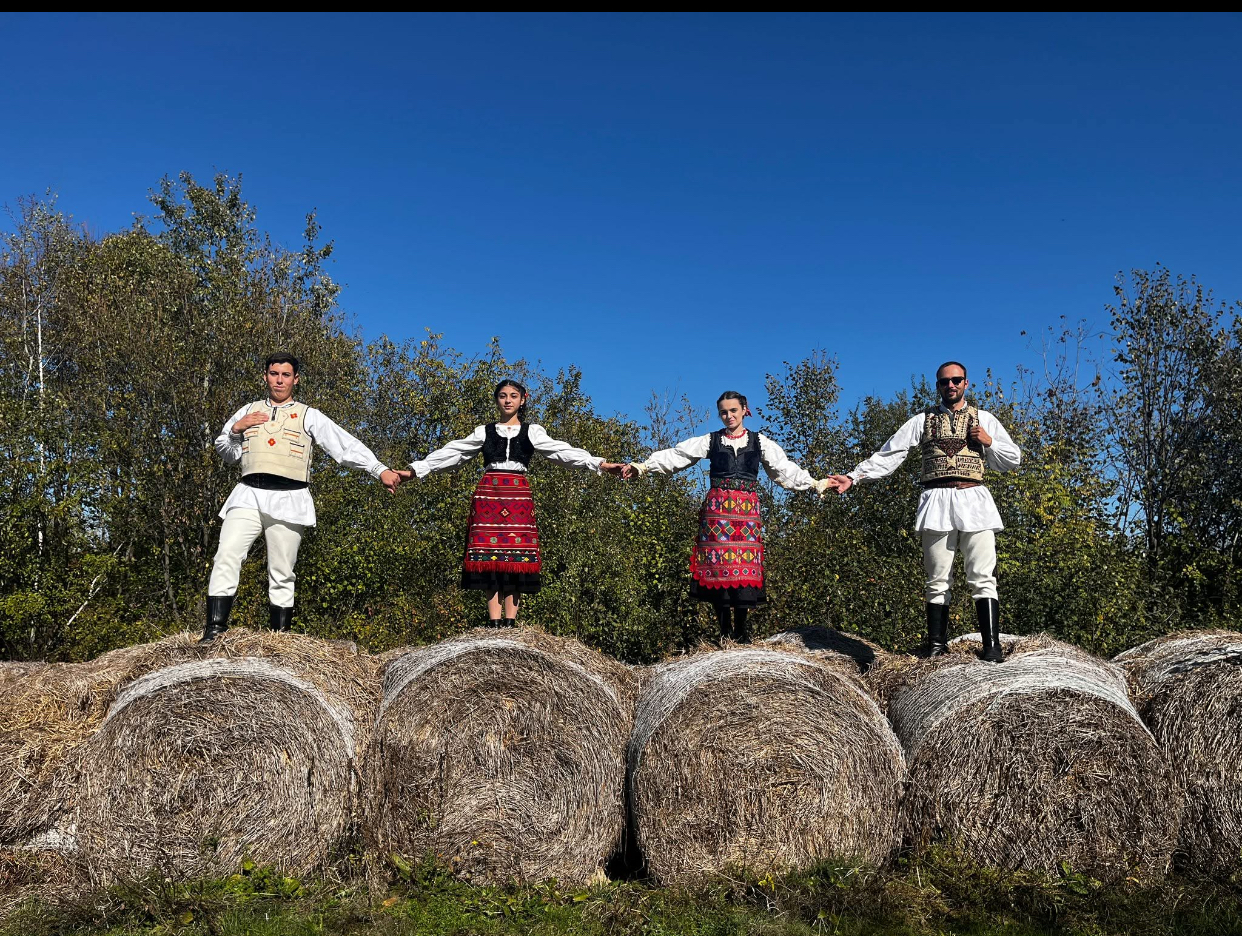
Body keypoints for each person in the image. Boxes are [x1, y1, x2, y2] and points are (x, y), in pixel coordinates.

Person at [201, 352, 400, 642]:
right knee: (226, 555)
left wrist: (378, 469)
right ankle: (214, 630)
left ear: (295, 379)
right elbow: (228, 453)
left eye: (285, 375)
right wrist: (235, 429)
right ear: (265, 376)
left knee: (281, 570)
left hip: (289, 498)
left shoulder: (309, 415)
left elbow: (343, 445)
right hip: (247, 494)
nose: (278, 380)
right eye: (273, 374)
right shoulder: (248, 410)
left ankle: (279, 639)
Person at [829, 361, 1021, 662]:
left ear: (966, 383)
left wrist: (989, 441)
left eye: (956, 380)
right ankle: (936, 645)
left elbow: (1013, 459)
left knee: (983, 576)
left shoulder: (984, 419)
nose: (951, 386)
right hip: (936, 500)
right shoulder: (922, 420)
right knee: (937, 578)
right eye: (945, 382)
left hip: (974, 499)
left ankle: (992, 646)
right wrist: (855, 477)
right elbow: (890, 453)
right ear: (938, 386)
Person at [396, 380, 624, 626]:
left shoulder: (532, 431)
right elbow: (453, 453)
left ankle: (510, 624)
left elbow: (562, 452)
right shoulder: (483, 431)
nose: (507, 400)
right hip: (489, 496)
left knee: (517, 559)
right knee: (490, 559)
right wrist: (415, 471)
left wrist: (600, 464)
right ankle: (494, 623)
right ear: (496, 400)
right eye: (503, 396)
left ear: (522, 399)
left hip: (518, 497)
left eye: (513, 396)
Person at [623, 391, 834, 643]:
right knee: (717, 569)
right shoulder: (711, 441)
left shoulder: (760, 442)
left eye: (733, 410)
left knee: (743, 572)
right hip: (717, 515)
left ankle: (742, 633)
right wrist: (645, 466)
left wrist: (813, 483)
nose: (728, 416)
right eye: (724, 412)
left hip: (746, 515)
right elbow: (678, 456)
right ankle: (724, 633)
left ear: (745, 410)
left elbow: (784, 469)